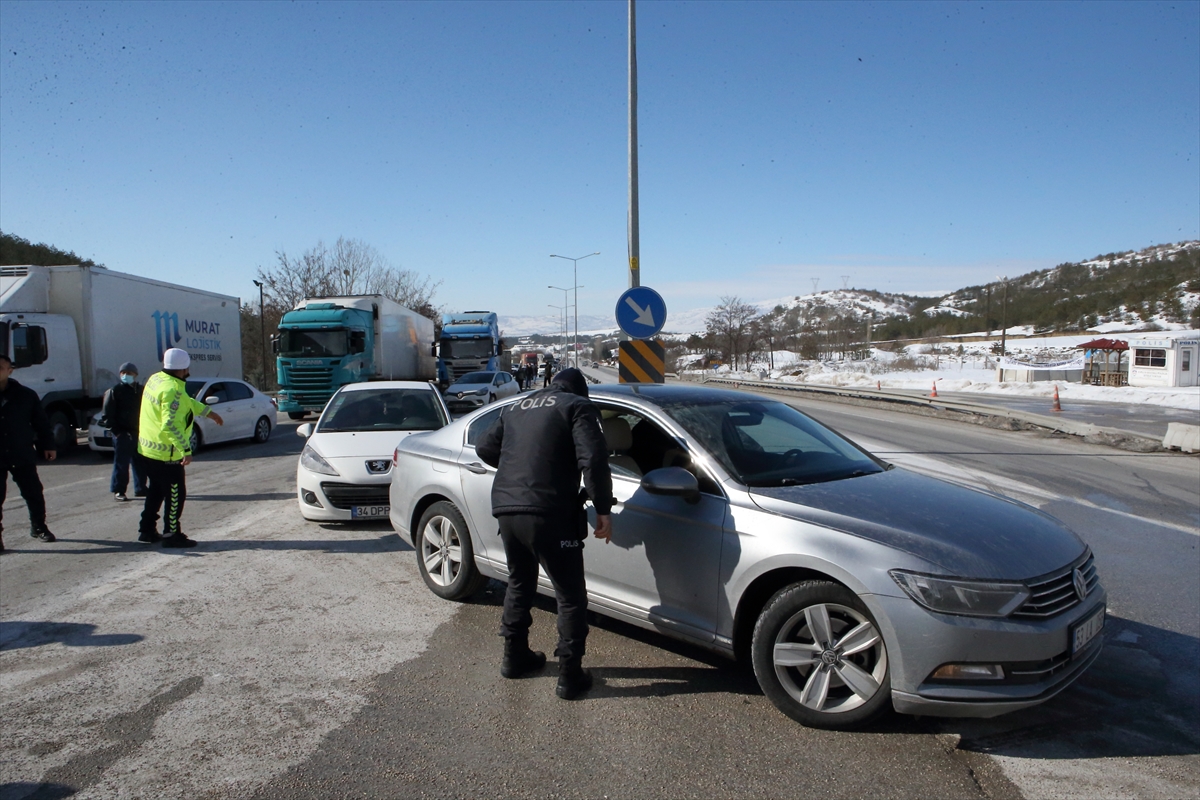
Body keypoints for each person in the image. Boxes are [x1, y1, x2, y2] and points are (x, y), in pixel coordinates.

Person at [476, 367, 613, 700]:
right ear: (581, 391)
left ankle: (514, 657)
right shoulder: (576, 406)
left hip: (507, 510)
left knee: (519, 582)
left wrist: (520, 470)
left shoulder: (517, 406)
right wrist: (603, 507)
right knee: (569, 594)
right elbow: (592, 458)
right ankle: (569, 674)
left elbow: (484, 448)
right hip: (550, 511)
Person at [137, 348, 223, 547]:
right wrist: (185, 449)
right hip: (167, 454)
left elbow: (185, 403)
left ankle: (147, 529)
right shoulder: (173, 389)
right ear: (184, 367)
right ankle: (171, 534)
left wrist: (207, 411)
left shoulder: (157, 379)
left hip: (148, 450)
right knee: (176, 493)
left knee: (156, 491)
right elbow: (169, 424)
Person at [0, 353, 57, 552]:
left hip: (20, 452)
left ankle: (39, 527)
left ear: (10, 370)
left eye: (1, 368)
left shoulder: (25, 395)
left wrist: (48, 445)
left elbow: (41, 423)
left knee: (33, 493)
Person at [103, 362, 148, 501]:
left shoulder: (142, 390)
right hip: (123, 434)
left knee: (141, 462)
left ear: (136, 375)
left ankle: (141, 488)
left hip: (139, 433)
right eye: (123, 373)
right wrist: (117, 432)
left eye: (129, 373)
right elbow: (107, 414)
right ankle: (119, 490)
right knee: (121, 464)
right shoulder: (115, 391)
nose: (126, 375)